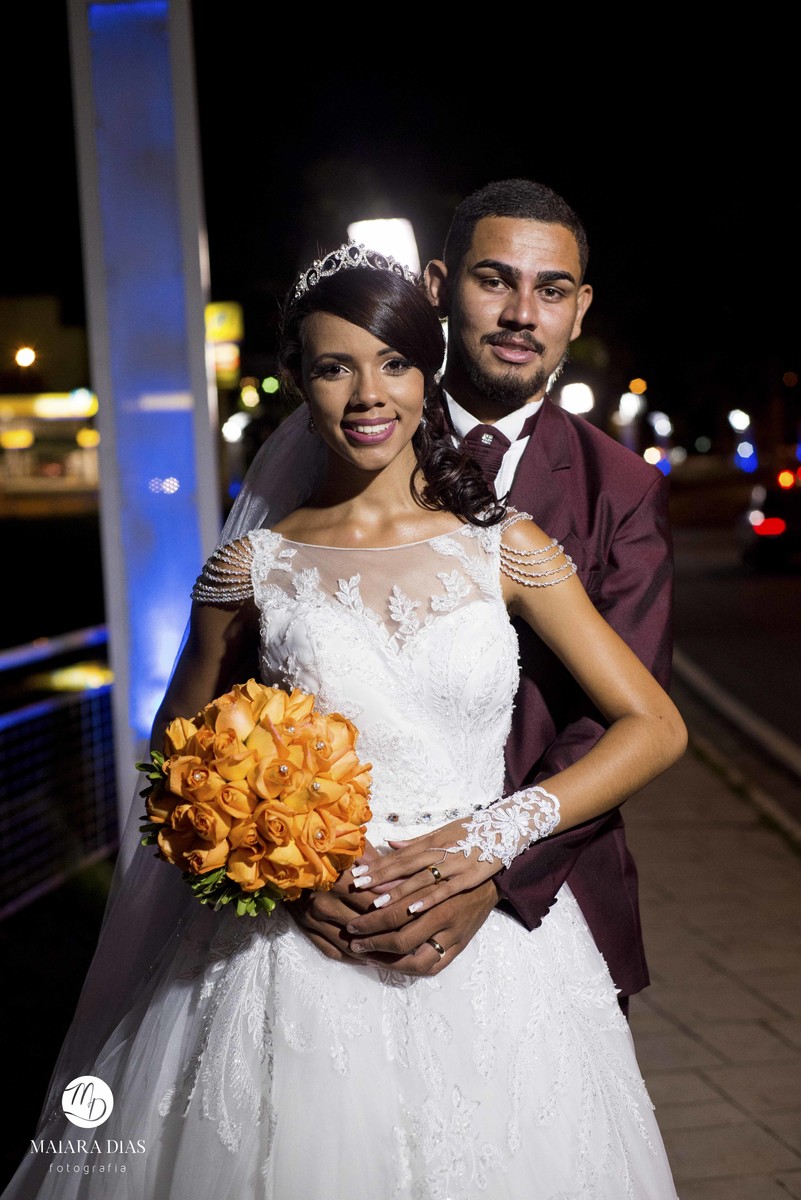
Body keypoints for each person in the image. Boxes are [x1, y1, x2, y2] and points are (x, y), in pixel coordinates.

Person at [2, 244, 685, 1199]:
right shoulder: (250, 568)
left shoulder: (506, 548)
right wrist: (278, 877)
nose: (369, 394)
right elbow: (176, 763)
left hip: (491, 957)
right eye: (334, 366)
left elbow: (652, 724)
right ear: (298, 382)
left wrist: (495, 834)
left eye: (394, 363)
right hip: (296, 951)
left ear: (426, 373)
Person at [281, 180, 674, 1011]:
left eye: (551, 290)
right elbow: (256, 683)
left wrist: (486, 873)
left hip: (545, 896)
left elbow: (618, 717)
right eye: (494, 280)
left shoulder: (622, 489)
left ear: (579, 308)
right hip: (335, 899)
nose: (521, 313)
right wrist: (290, 865)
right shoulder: (357, 432)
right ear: (437, 288)